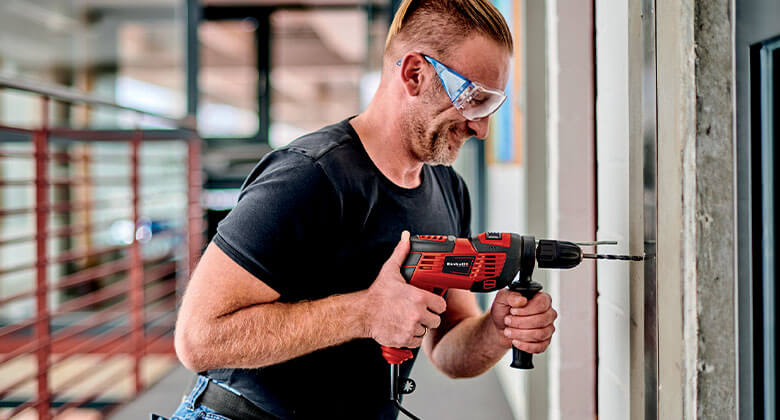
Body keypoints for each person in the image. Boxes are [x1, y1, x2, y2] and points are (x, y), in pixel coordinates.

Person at [167, 0, 557, 419]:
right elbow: (198, 338)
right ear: (414, 74)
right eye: (472, 99)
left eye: (490, 105)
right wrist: (365, 313)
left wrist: (496, 330)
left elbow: (448, 347)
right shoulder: (309, 176)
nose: (479, 127)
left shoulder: (449, 190)